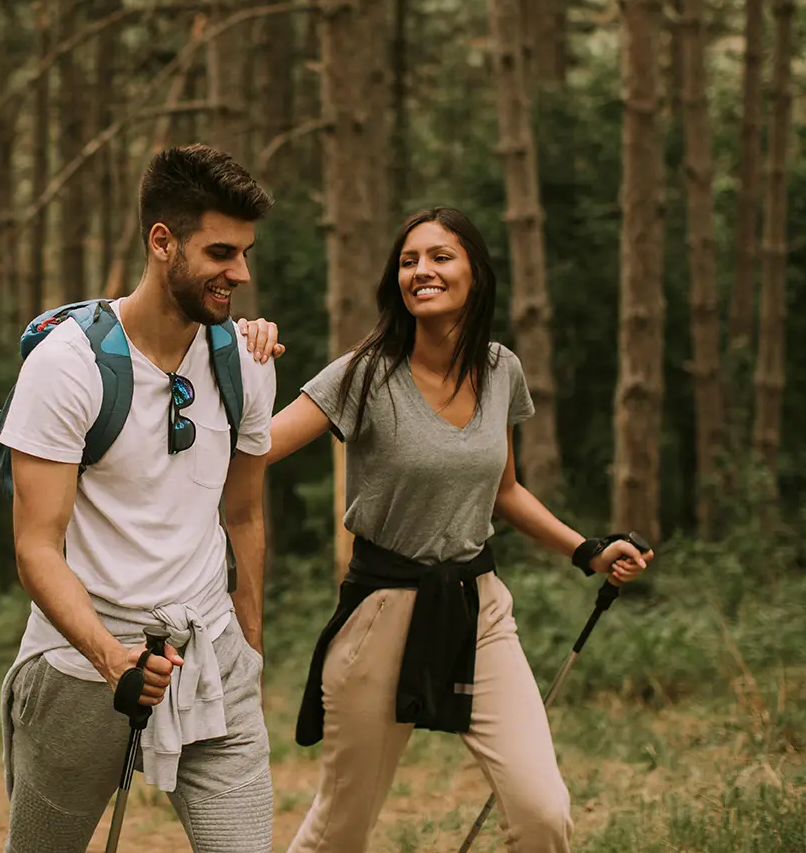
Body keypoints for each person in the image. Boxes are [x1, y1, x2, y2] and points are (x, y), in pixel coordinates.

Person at [244, 206, 654, 853]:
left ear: (474, 274)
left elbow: (505, 488)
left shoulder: (500, 371)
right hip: (380, 611)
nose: (421, 271)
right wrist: (239, 368)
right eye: (408, 260)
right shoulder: (364, 372)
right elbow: (257, 445)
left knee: (542, 811)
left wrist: (588, 548)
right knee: (339, 829)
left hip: (477, 608)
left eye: (439, 256)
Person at [0, 144, 286, 853]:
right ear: (162, 241)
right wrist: (109, 657)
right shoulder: (67, 366)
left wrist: (246, 640)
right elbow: (36, 545)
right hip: (82, 667)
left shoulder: (244, 364)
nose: (239, 274)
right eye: (221, 251)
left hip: (211, 658)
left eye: (245, 253)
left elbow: (243, 512)